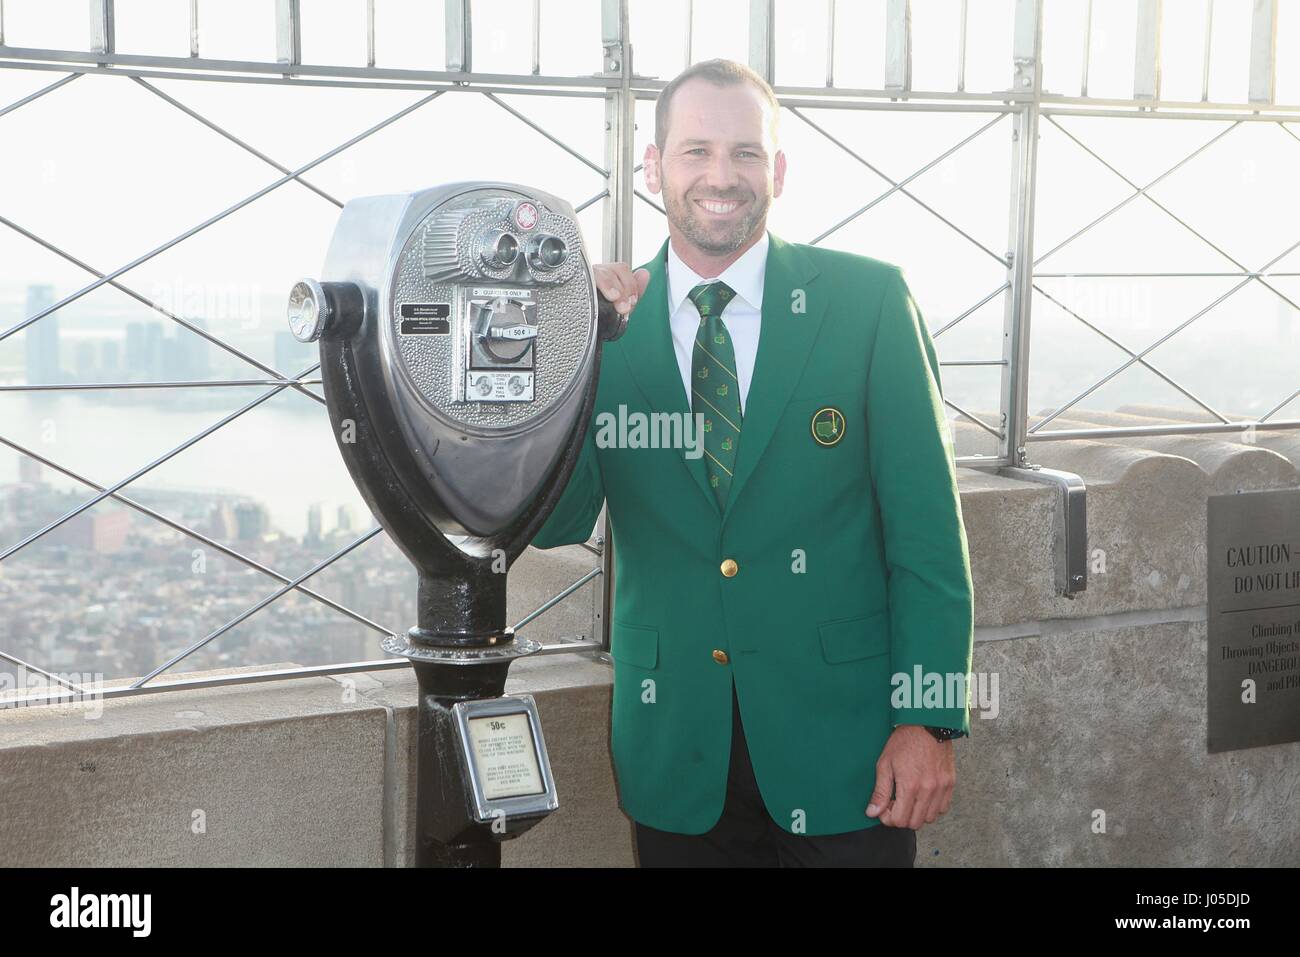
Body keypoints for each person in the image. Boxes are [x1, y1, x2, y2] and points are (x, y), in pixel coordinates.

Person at [531, 58, 974, 867]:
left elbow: (930, 540)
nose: (720, 176)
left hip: (849, 756)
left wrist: (933, 719)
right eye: (695, 151)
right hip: (677, 756)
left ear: (777, 169)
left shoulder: (869, 303)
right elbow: (558, 522)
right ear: (653, 167)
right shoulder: (603, 330)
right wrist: (572, 353)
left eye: (744, 153)